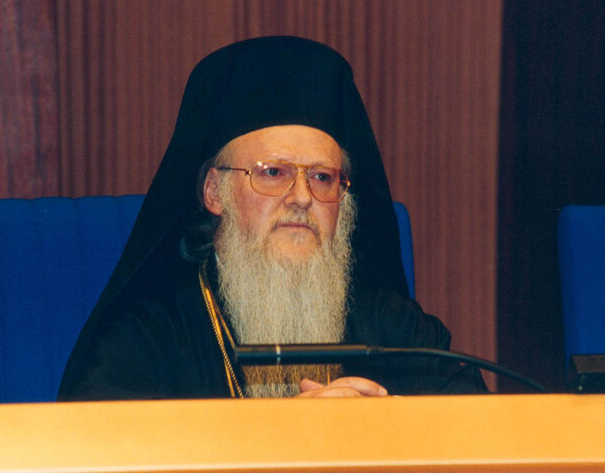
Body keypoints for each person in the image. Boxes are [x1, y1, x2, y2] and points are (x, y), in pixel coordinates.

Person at [58, 36, 487, 400]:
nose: (301, 197)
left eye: (322, 177)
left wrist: (384, 434)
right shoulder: (144, 340)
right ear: (214, 192)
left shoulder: (394, 328)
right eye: (273, 173)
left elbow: (488, 439)